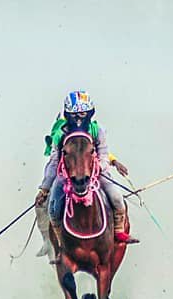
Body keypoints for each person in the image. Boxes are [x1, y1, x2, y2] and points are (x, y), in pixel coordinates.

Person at [35, 90, 137, 250]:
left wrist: (98, 168)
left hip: (95, 173)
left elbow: (103, 154)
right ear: (68, 114)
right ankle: (60, 243)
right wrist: (45, 188)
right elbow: (54, 162)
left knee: (117, 198)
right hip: (66, 176)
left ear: (89, 113)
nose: (78, 119)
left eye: (82, 114)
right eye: (74, 115)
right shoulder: (60, 134)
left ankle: (118, 232)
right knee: (53, 209)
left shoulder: (97, 130)